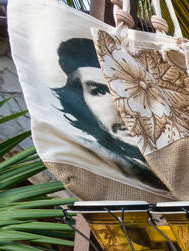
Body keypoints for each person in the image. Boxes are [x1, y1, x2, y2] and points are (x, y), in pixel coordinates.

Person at [52, 37, 165, 191]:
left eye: (129, 88)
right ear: (82, 101)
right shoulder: (90, 157)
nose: (120, 106)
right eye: (99, 91)